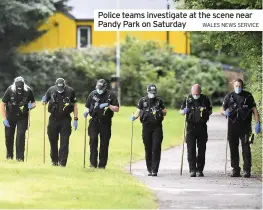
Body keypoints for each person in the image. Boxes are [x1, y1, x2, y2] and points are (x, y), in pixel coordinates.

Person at [221, 79, 260, 178]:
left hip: (245, 126)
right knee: (233, 149)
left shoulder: (248, 96)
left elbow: (254, 110)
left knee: (246, 148)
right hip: (232, 126)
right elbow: (222, 109)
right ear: (233, 87)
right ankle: (235, 169)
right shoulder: (229, 96)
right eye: (236, 86)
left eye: (239, 86)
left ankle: (247, 170)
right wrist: (225, 113)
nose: (238, 87)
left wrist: (258, 123)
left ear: (242, 86)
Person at [131, 84, 167, 176]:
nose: (153, 94)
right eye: (151, 92)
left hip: (157, 127)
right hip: (146, 127)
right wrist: (134, 117)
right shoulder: (143, 100)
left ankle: (154, 170)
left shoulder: (159, 101)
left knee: (156, 148)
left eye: (154, 92)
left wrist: (160, 111)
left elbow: (164, 112)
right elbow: (138, 111)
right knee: (148, 148)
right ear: (147, 92)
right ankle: (149, 168)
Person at [41, 78, 78, 167]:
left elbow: (75, 105)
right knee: (53, 141)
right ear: (56, 86)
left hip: (65, 119)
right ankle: (54, 161)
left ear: (64, 86)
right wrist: (44, 100)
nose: (60, 90)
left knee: (64, 142)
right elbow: (44, 103)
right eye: (58, 88)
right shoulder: (51, 90)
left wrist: (75, 118)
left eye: (61, 88)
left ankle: (62, 163)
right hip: (53, 119)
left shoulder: (70, 91)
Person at [83, 79, 119, 169]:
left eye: (101, 88)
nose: (99, 90)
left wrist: (108, 105)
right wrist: (85, 112)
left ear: (104, 88)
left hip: (105, 122)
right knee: (93, 140)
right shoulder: (92, 94)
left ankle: (102, 165)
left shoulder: (110, 95)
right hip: (94, 121)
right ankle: (92, 163)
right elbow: (87, 106)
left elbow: (117, 108)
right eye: (98, 88)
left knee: (104, 143)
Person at [0, 76, 36, 161]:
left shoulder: (28, 90)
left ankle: (20, 158)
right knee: (8, 136)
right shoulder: (10, 90)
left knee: (20, 136)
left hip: (22, 117)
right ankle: (9, 156)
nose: (19, 90)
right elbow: (2, 104)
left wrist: (31, 106)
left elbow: (34, 103)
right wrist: (4, 118)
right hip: (10, 117)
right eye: (17, 88)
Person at [179, 84, 212, 177]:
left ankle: (200, 169)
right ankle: (192, 169)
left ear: (200, 92)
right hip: (190, 127)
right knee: (191, 149)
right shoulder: (187, 100)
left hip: (202, 127)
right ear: (191, 92)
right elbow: (180, 112)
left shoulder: (205, 99)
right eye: (194, 93)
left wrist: (204, 111)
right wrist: (184, 111)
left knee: (202, 149)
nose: (196, 95)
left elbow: (210, 111)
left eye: (197, 93)